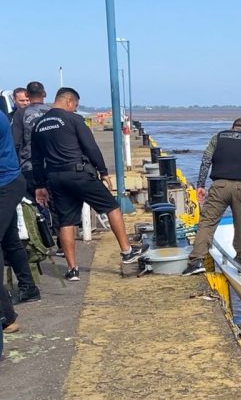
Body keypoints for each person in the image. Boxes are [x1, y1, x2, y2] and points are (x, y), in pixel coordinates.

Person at [30, 87, 142, 281]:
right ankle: (127, 251)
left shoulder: (38, 125)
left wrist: (39, 185)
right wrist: (103, 171)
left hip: (55, 177)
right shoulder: (74, 119)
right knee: (112, 207)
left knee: (66, 221)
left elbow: (36, 159)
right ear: (69, 101)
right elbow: (91, 147)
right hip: (79, 174)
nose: (75, 109)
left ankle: (72, 269)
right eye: (75, 105)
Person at [182, 117, 241, 275]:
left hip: (219, 186)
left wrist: (201, 185)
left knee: (207, 223)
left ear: (232, 127)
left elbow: (205, 161)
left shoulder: (217, 138)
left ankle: (196, 262)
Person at [0, 94, 32, 334]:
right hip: (9, 183)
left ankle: (5, 315)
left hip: (7, 185)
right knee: (10, 241)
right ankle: (29, 288)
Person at [12, 81, 50, 198]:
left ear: (27, 95)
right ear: (44, 94)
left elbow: (16, 142)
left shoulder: (20, 113)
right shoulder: (53, 112)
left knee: (33, 202)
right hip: (52, 166)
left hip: (29, 166)